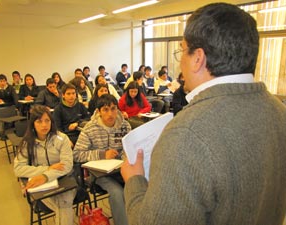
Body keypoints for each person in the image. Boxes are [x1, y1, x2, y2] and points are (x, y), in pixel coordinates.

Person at [121, 3, 286, 225]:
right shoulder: (278, 112)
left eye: (181, 51)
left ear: (198, 58)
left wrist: (135, 181)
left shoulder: (186, 133)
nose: (180, 63)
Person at [74, 94, 131, 225]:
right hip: (100, 174)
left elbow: (129, 148)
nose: (110, 113)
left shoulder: (125, 126)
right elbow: (77, 154)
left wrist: (125, 157)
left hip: (120, 169)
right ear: (99, 112)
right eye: (105, 109)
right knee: (117, 193)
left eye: (113, 108)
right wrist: (102, 154)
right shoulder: (90, 128)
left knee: (139, 183)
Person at [14, 105, 75, 225]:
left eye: (47, 121)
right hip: (40, 185)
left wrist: (45, 176)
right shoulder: (27, 143)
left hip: (65, 181)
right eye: (39, 121)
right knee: (64, 205)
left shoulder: (62, 138)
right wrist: (47, 169)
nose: (44, 125)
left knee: (63, 204)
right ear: (32, 124)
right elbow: (18, 169)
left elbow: (67, 165)